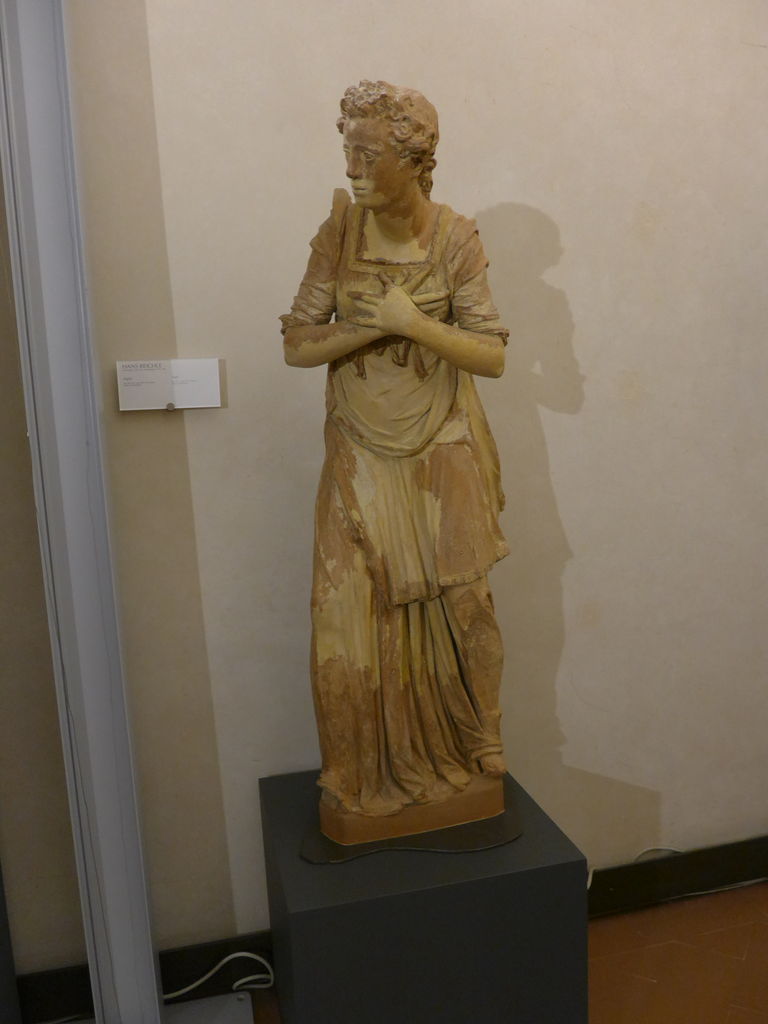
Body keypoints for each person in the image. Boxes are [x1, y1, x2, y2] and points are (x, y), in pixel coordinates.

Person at [280, 80, 509, 818]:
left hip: (442, 447)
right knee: (340, 610)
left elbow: (490, 355)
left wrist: (415, 324)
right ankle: (349, 767)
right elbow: (296, 343)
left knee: (466, 602)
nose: (352, 168)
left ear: (413, 160)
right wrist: (374, 327)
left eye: (368, 154)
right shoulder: (339, 234)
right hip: (359, 450)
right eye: (347, 151)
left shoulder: (455, 237)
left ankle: (481, 737)